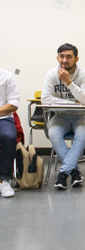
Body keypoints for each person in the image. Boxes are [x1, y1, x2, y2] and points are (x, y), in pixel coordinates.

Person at [42, 43, 85, 189]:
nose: (64, 60)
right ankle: (75, 171)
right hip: (60, 116)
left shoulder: (84, 75)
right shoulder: (52, 74)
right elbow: (45, 99)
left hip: (83, 116)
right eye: (62, 56)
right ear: (57, 57)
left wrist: (69, 82)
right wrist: (72, 103)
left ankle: (63, 173)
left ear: (76, 59)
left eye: (69, 57)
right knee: (53, 133)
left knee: (82, 135)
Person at [0, 68, 19, 197]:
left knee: (9, 136)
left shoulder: (7, 76)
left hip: (3, 118)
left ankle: (4, 180)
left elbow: (13, 104)